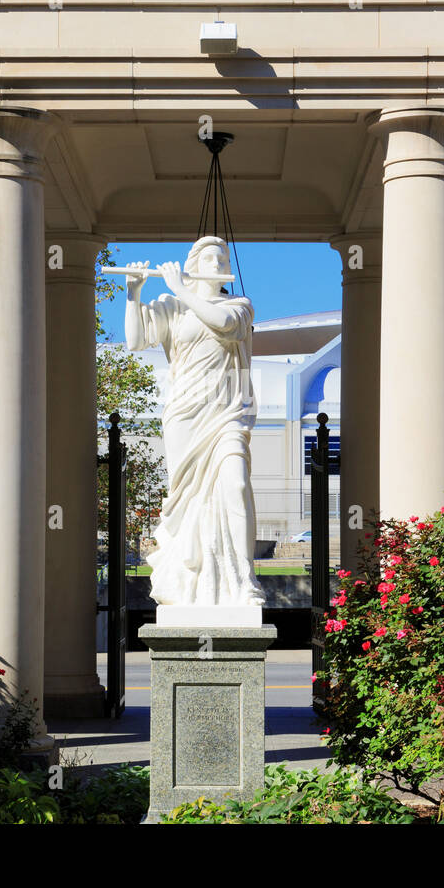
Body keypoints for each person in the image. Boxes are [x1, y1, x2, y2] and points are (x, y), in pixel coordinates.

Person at [124, 235, 265, 608]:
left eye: (222, 258)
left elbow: (222, 323)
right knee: (187, 500)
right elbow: (136, 340)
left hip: (226, 413)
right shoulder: (172, 306)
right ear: (194, 264)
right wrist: (134, 295)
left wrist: (181, 289)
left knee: (234, 483)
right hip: (185, 414)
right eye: (210, 259)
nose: (218, 264)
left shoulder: (240, 305)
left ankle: (243, 576)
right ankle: (189, 581)